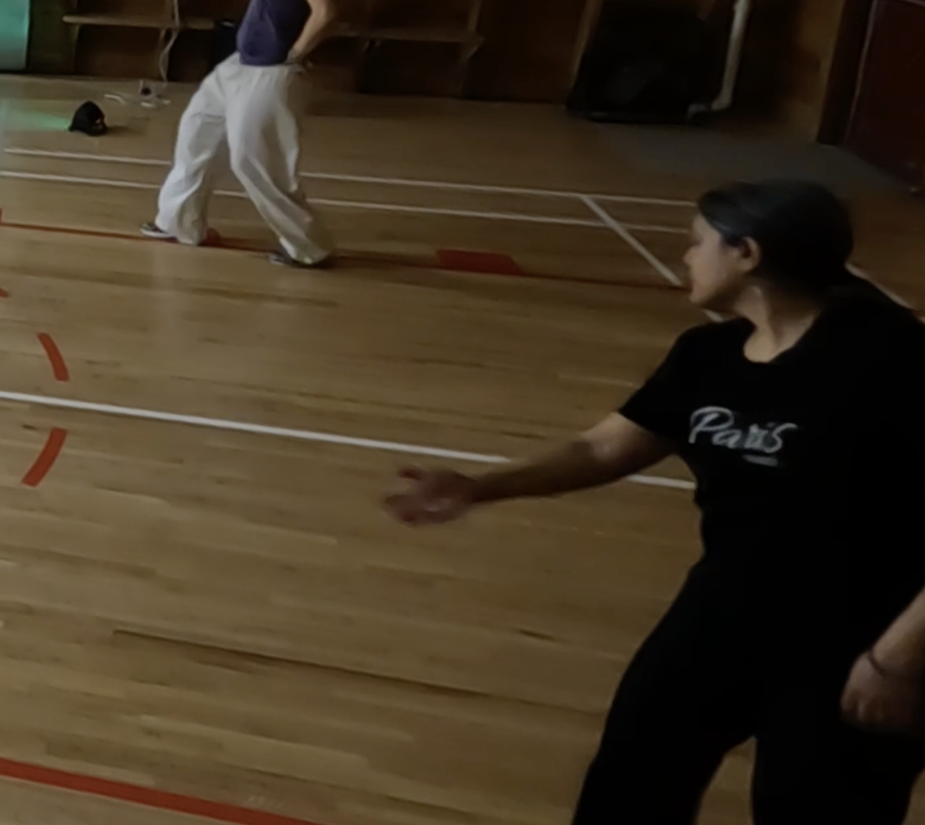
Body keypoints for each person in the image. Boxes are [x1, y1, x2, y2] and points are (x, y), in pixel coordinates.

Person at [386, 180, 925, 821]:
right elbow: (603, 450)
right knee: (629, 787)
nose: (685, 257)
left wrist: (897, 661)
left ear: (746, 253)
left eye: (698, 243)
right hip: (720, 613)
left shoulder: (894, 358)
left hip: (864, 642)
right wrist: (481, 486)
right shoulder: (709, 355)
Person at [140, 0, 340, 267]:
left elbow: (326, 10)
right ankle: (178, 221)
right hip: (237, 70)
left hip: (269, 75)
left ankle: (309, 247)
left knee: (254, 161)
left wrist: (295, 54)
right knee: (197, 133)